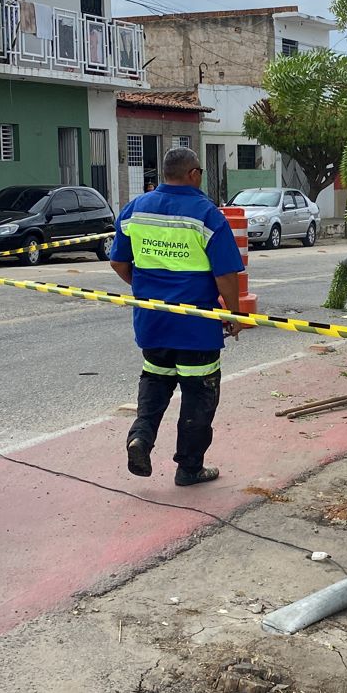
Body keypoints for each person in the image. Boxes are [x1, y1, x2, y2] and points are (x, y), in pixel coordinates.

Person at [110, 146, 245, 484]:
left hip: (152, 321)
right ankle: (189, 467)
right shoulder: (207, 214)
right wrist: (233, 313)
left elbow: (118, 262)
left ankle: (140, 437)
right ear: (194, 174)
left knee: (155, 381)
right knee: (199, 395)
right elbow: (226, 275)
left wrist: (144, 289)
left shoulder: (135, 209)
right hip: (196, 327)